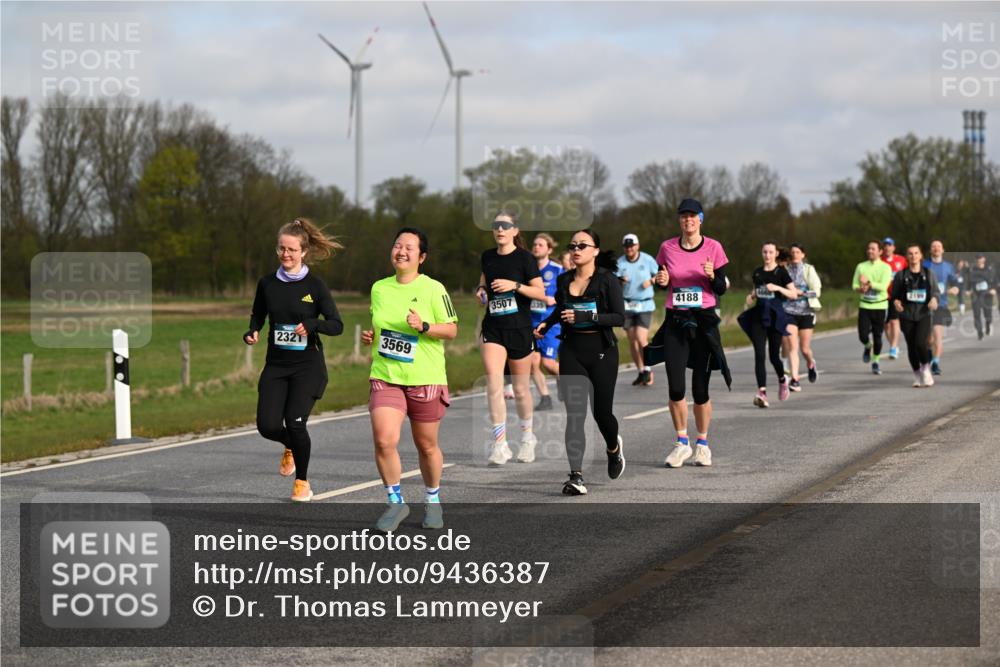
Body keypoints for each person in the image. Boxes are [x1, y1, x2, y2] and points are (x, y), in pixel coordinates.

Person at [361, 228, 458, 532]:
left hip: (425, 376)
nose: (401, 251)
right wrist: (372, 336)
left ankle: (432, 500)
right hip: (386, 374)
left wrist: (424, 325)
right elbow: (383, 327)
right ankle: (395, 501)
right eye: (397, 245)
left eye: (409, 248)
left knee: (426, 445)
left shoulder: (433, 288)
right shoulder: (379, 288)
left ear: (422, 257)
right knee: (383, 439)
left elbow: (451, 330)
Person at [244, 218, 344, 502]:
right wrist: (252, 331)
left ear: (304, 252)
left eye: (291, 250)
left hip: (307, 367)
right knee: (267, 426)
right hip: (276, 365)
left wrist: (313, 325)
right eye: (281, 249)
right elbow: (258, 314)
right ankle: (290, 446)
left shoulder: (316, 285)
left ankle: (302, 482)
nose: (285, 255)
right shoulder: (267, 283)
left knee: (295, 422)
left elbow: (337, 325)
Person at [534, 230, 625, 495]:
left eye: (583, 245)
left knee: (602, 414)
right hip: (572, 350)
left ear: (595, 250)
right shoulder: (563, 280)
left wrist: (587, 316)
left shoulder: (608, 281)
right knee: (575, 416)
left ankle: (613, 448)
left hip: (602, 352)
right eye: (573, 245)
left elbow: (619, 317)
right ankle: (576, 476)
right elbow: (560, 311)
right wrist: (546, 323)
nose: (576, 249)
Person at [646, 198, 732, 468]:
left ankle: (703, 444)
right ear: (679, 220)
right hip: (676, 320)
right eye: (684, 216)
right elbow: (664, 281)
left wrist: (710, 277)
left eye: (693, 216)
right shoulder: (667, 248)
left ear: (701, 219)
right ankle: (682, 442)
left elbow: (721, 288)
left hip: (704, 322)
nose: (688, 220)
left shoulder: (714, 247)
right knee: (675, 387)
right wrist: (663, 282)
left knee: (700, 390)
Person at [477, 210, 547, 466]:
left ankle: (528, 438)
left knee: (519, 388)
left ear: (515, 231)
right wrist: (482, 291)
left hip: (519, 328)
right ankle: (500, 444)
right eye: (496, 225)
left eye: (505, 225)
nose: (500, 229)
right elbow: (483, 281)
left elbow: (539, 292)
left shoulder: (525, 259)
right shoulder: (487, 257)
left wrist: (514, 286)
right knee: (494, 384)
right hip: (493, 327)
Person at [739, 242, 797, 407]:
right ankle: (762, 393)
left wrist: (777, 288)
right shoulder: (757, 272)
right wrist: (751, 296)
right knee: (759, 354)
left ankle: (782, 379)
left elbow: (793, 294)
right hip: (759, 317)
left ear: (776, 254)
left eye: (771, 252)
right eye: (765, 252)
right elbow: (756, 291)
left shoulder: (781, 272)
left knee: (773, 356)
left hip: (775, 317)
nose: (767, 255)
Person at [891, 243, 940, 388]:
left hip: (923, 313)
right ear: (907, 257)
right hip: (906, 315)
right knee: (911, 346)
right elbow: (894, 296)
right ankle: (917, 374)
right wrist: (896, 303)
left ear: (921, 256)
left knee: (920, 343)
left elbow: (936, 292)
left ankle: (926, 369)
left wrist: (934, 300)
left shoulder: (929, 273)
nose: (913, 256)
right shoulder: (901, 275)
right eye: (910, 253)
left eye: (916, 253)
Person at [616, 233, 660, 386]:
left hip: (644, 304)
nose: (629, 249)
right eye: (626, 246)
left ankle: (648, 369)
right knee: (632, 340)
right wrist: (620, 280)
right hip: (627, 304)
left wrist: (651, 281)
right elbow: (612, 281)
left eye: (632, 246)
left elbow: (660, 274)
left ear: (637, 246)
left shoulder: (647, 260)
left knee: (641, 338)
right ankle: (641, 371)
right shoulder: (620, 263)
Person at [781, 243, 822, 389]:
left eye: (798, 252)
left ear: (803, 255)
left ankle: (811, 363)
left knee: (804, 349)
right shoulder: (784, 270)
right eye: (792, 252)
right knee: (793, 346)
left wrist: (801, 293)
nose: (794, 255)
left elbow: (817, 292)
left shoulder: (809, 270)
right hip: (789, 311)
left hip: (806, 312)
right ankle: (795, 379)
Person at [529, 233, 563, 410]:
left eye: (541, 245)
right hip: (532, 322)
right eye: (534, 244)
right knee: (533, 362)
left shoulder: (557, 270)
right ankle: (545, 398)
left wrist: (554, 300)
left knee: (548, 363)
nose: (536, 247)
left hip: (551, 323)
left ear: (549, 249)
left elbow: (569, 293)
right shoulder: (528, 270)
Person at [852, 240, 892, 375]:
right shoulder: (861, 266)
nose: (870, 251)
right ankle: (867, 346)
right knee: (863, 335)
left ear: (880, 251)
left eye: (873, 249)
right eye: (868, 248)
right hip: (865, 305)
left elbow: (884, 287)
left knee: (878, 336)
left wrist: (868, 283)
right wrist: (861, 289)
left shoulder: (886, 268)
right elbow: (854, 285)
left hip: (880, 306)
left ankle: (875, 361)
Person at [922, 240, 959, 375]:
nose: (936, 248)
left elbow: (955, 282)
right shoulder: (924, 264)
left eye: (939, 246)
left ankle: (936, 363)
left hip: (941, 305)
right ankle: (930, 357)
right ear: (930, 250)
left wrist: (955, 288)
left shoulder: (948, 266)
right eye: (933, 246)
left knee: (937, 336)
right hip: (924, 305)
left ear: (943, 250)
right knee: (928, 340)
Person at [880, 237, 908, 360]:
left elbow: (908, 273)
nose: (887, 247)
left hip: (897, 295)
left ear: (893, 247)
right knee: (885, 325)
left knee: (894, 321)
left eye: (889, 245)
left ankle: (893, 347)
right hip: (882, 295)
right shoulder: (879, 261)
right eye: (885, 245)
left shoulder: (901, 260)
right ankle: (893, 344)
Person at [968, 253, 997, 340]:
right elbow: (968, 281)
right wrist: (967, 290)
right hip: (976, 294)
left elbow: (994, 280)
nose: (979, 260)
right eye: (977, 258)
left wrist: (994, 289)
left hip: (987, 294)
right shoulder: (972, 270)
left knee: (987, 314)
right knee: (976, 314)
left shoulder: (989, 269)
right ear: (975, 260)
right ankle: (979, 331)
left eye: (980, 258)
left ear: (984, 259)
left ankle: (988, 324)